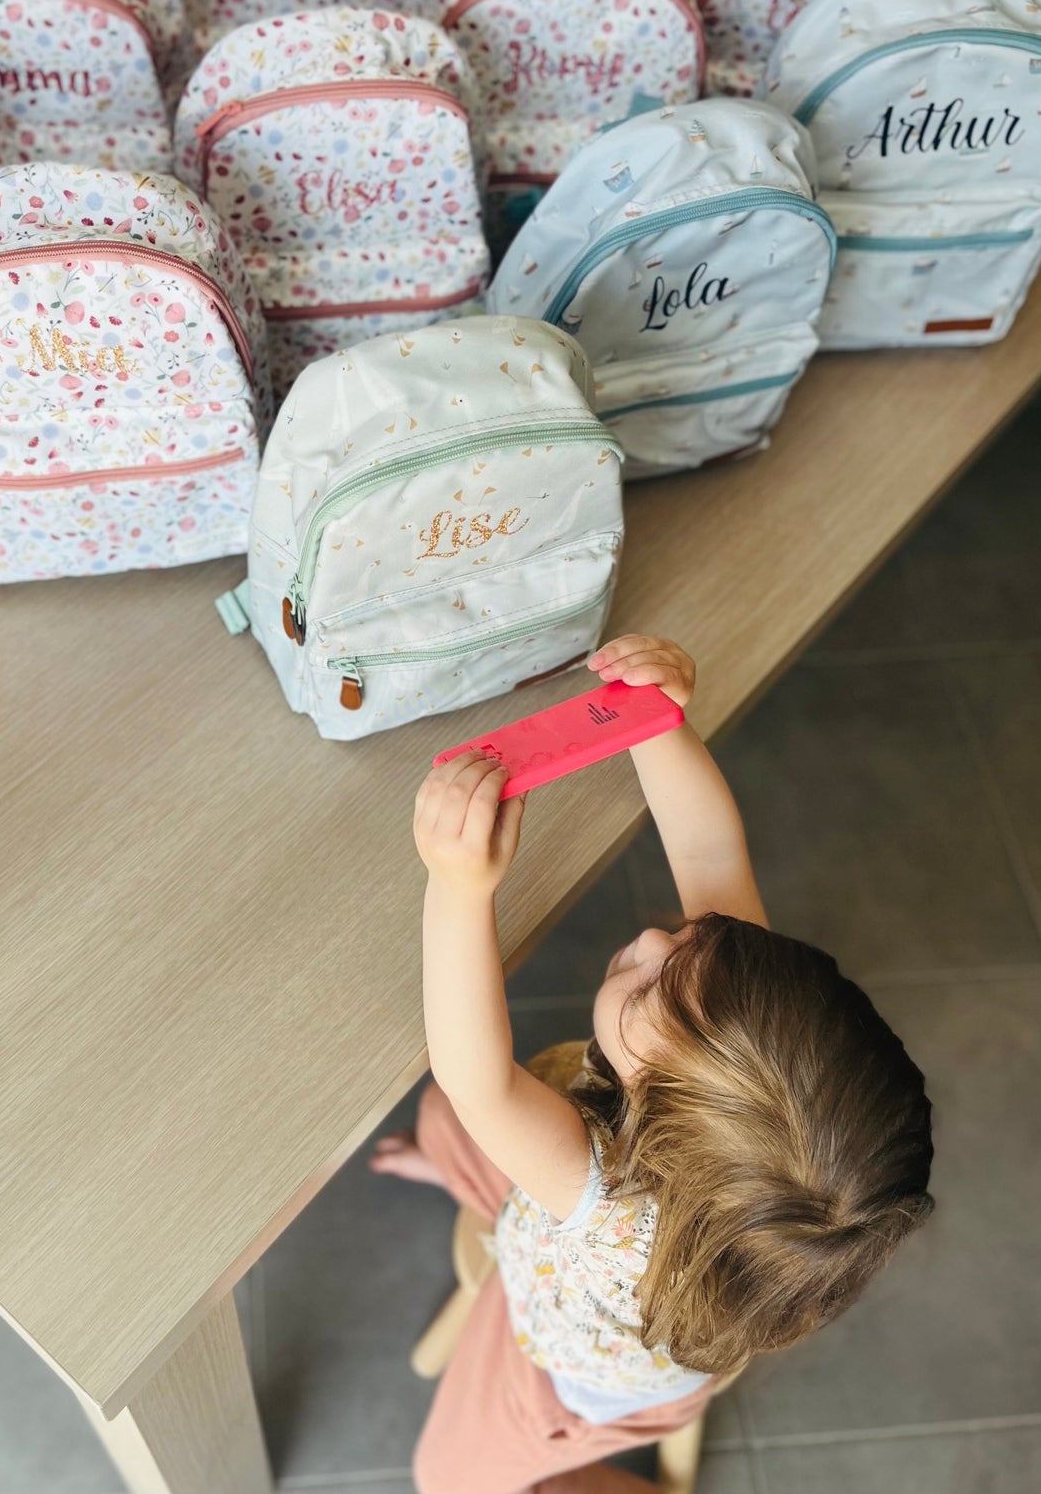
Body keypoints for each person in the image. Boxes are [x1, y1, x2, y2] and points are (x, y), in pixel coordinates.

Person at [374, 635, 935, 1494]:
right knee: (458, 1133)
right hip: (576, 1243)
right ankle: (461, 1176)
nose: (646, 939)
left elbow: (479, 1078)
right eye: (685, 945)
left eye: (643, 991)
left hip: (565, 1379)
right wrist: (656, 721)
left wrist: (459, 884)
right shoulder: (740, 1024)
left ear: (656, 1121)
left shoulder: (602, 1200)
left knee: (446, 1478)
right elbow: (710, 855)